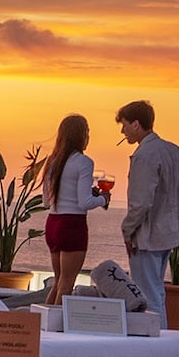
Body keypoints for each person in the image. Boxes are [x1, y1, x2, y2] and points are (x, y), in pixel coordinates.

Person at [116, 100, 179, 304]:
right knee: (157, 291)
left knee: (147, 296)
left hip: (147, 236)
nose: (122, 131)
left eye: (124, 125)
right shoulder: (172, 151)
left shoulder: (144, 155)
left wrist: (127, 231)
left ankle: (155, 335)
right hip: (168, 233)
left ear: (136, 124)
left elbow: (141, 202)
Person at [39, 115, 106, 306]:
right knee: (67, 283)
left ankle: (44, 324)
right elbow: (84, 202)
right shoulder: (83, 162)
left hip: (53, 223)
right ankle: (56, 329)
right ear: (81, 135)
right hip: (72, 225)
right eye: (87, 132)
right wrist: (102, 199)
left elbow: (46, 201)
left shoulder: (52, 161)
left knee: (58, 280)